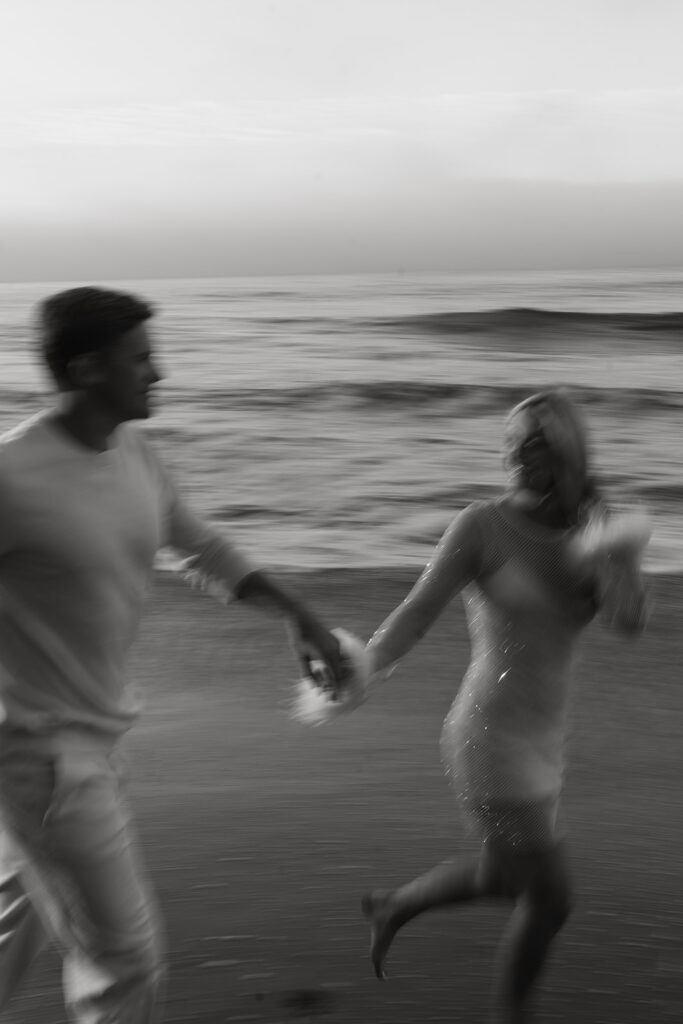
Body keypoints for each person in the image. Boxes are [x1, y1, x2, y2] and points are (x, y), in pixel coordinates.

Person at [0, 286, 345, 1023]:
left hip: (93, 737)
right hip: (42, 760)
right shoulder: (11, 476)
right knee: (124, 964)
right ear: (89, 369)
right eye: (142, 359)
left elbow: (202, 547)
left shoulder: (135, 453)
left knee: (13, 926)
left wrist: (299, 617)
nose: (161, 373)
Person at [359, 388, 649, 1023]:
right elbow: (416, 612)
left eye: (536, 442)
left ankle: (394, 905)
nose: (518, 454)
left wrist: (612, 545)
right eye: (510, 442)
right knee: (550, 898)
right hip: (488, 733)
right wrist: (359, 669)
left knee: (502, 876)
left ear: (567, 452)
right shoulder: (482, 525)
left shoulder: (590, 529)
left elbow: (627, 622)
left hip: (546, 731)